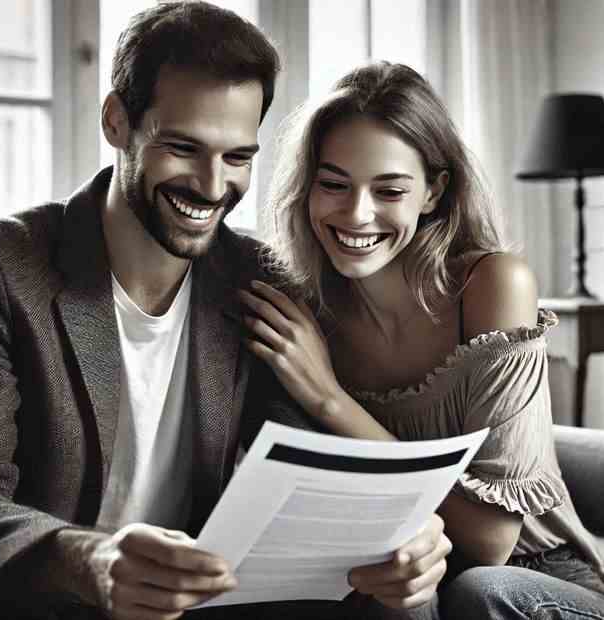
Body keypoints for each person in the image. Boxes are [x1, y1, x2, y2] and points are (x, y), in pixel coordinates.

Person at [0, 5, 451, 620]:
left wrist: (407, 539)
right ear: (117, 122)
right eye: (183, 147)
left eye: (238, 158)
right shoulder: (3, 266)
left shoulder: (259, 279)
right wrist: (91, 561)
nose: (211, 186)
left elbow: (305, 475)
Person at [238, 61, 604, 618]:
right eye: (333, 184)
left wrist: (329, 400)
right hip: (403, 577)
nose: (357, 214)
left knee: (478, 590)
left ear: (433, 191)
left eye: (389, 190)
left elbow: (490, 542)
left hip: (532, 579)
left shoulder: (492, 285)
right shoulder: (303, 309)